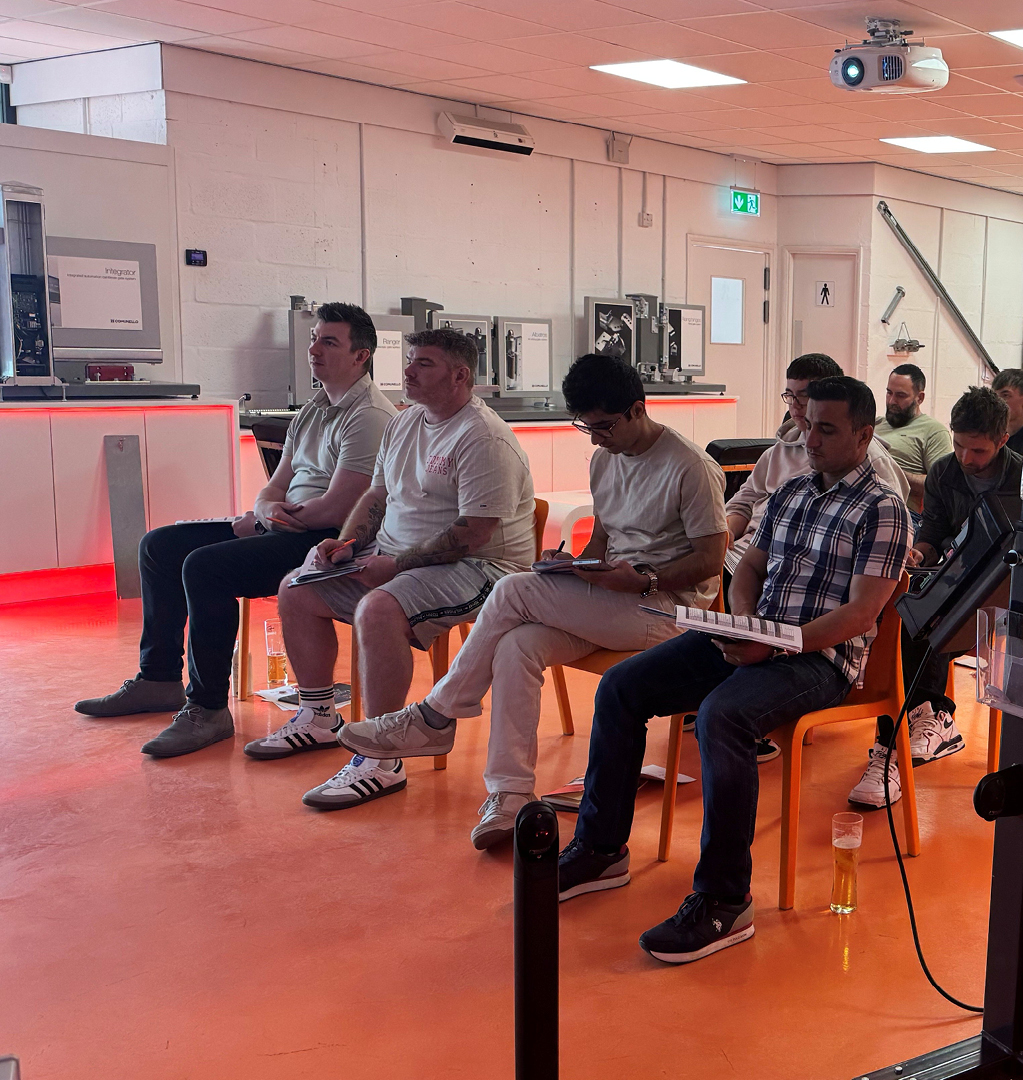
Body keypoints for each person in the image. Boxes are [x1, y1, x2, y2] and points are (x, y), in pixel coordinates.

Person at [557, 375, 910, 965]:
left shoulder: (883, 509)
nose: (810, 439)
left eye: (827, 430)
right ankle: (601, 848)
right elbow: (746, 567)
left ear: (864, 435)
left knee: (722, 717)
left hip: (820, 660)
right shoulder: (792, 490)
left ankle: (725, 901)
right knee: (623, 687)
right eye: (806, 424)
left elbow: (860, 614)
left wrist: (774, 645)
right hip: (760, 639)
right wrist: (745, 624)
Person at [331, 355, 726, 847]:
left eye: (603, 426)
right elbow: (602, 544)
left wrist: (644, 579)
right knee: (517, 645)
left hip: (666, 610)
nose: (595, 438)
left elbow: (711, 561)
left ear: (638, 410)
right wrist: (574, 565)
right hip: (615, 602)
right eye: (585, 427)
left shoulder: (691, 466)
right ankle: (510, 794)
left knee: (513, 588)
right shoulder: (606, 459)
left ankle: (436, 715)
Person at [75, 303, 398, 758]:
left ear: (361, 356)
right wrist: (264, 510)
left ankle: (207, 709)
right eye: (314, 339)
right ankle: (159, 678)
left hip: (325, 542)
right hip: (285, 525)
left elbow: (339, 509)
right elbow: (274, 485)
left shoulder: (370, 416)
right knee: (158, 546)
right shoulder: (314, 409)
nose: (314, 350)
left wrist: (265, 517)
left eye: (329, 342)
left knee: (205, 567)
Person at [250, 326, 537, 811]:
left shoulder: (484, 437)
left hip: (482, 567)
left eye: (424, 363)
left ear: (459, 376)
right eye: (409, 359)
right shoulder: (404, 423)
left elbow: (473, 534)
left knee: (379, 610)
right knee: (297, 588)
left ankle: (381, 760)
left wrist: (396, 565)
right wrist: (348, 542)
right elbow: (377, 495)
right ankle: (319, 717)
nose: (407, 370)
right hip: (399, 557)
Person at [847, 387, 1023, 809]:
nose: (965, 457)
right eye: (958, 445)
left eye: (977, 450)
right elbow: (933, 532)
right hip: (953, 578)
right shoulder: (944, 471)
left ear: (1002, 440)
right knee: (906, 613)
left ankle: (910, 730)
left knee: (929, 620)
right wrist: (918, 553)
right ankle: (922, 720)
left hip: (1007, 585)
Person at [724, 353, 907, 577]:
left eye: (804, 396)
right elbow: (744, 502)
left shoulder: (870, 460)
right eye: (790, 396)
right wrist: (726, 533)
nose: (795, 406)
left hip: (794, 559)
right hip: (749, 550)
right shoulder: (778, 452)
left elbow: (887, 529)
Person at [876, 363, 949, 517]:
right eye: (889, 393)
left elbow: (942, 486)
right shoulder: (875, 424)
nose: (892, 401)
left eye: (900, 395)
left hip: (899, 512)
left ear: (919, 398)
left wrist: (890, 471)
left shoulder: (933, 431)